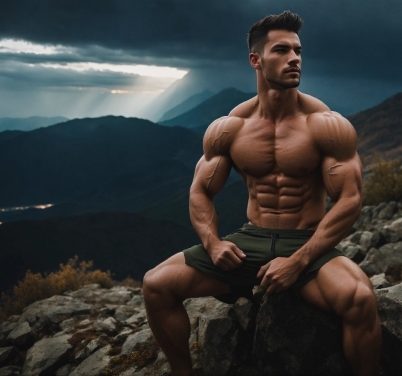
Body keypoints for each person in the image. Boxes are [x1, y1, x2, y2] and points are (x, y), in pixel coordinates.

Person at [142, 10, 381, 376]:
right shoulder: (230, 128)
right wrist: (213, 244)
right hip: (250, 240)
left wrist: (297, 262)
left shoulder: (326, 125)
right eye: (282, 51)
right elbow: (200, 191)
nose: (295, 59)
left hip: (306, 244)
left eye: (298, 51)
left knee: (360, 299)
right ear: (256, 59)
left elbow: (350, 199)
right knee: (155, 285)